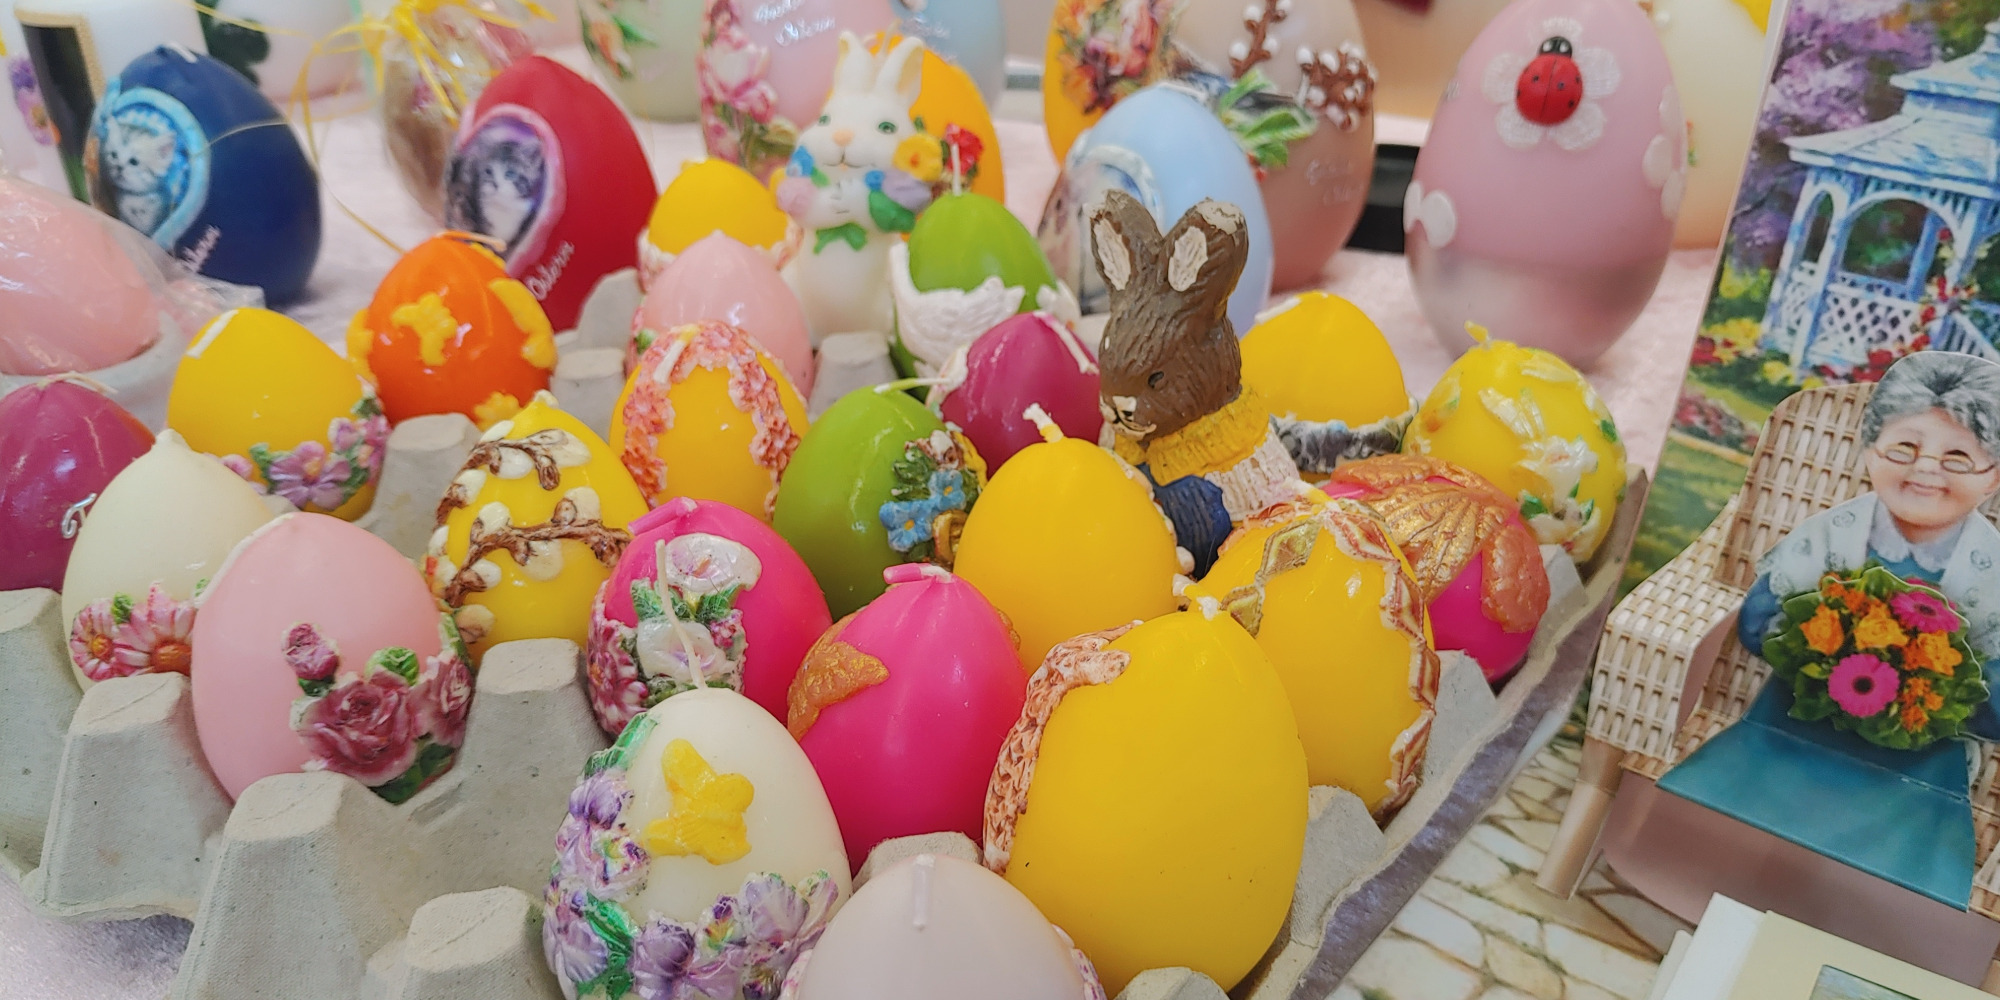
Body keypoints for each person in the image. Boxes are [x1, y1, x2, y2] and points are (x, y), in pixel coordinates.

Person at [1659, 351, 2000, 908]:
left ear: (1993, 477)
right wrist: (1820, 645)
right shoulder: (1833, 534)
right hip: (1792, 725)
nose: (1925, 470)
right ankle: (1718, 883)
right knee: (1731, 825)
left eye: (1957, 457)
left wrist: (1939, 690)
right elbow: (1758, 622)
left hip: (1917, 766)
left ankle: (1851, 918)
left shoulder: (1992, 570)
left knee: (1891, 867)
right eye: (1904, 448)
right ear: (1870, 450)